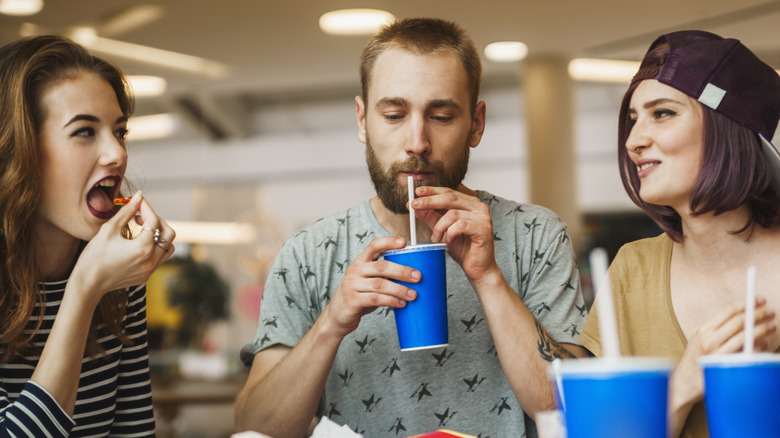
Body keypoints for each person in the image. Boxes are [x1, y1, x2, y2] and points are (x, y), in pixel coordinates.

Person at [235, 17, 587, 438]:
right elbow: (255, 430)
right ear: (363, 120)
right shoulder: (307, 254)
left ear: (476, 124)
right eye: (395, 114)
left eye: (440, 116)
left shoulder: (537, 236)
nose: (417, 141)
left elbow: (576, 412)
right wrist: (330, 324)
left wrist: (488, 278)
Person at [579, 30, 780, 438]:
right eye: (633, 119)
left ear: (729, 125)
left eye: (663, 113)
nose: (634, 141)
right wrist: (686, 381)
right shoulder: (632, 271)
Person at [0, 35, 176, 437]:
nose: (116, 153)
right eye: (84, 131)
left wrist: (99, 281)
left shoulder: (119, 275)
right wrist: (85, 288)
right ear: (16, 150)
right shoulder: (100, 274)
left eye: (120, 131)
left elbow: (134, 430)